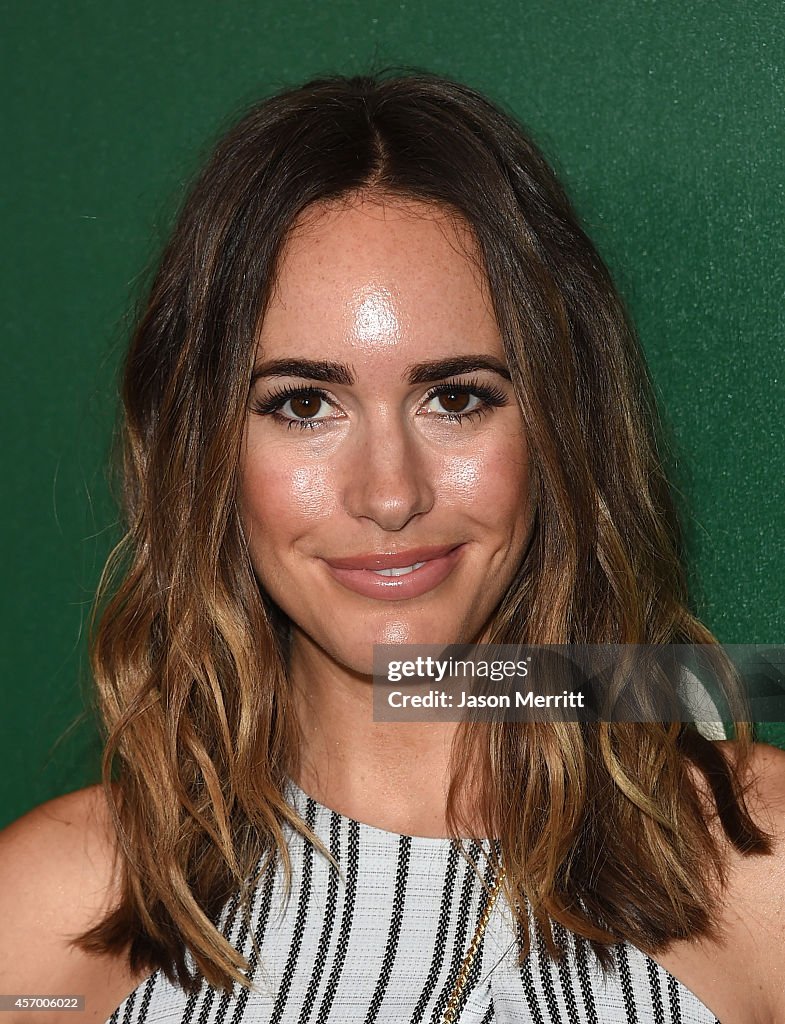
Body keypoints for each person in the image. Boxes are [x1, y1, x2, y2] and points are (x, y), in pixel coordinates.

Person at [1, 70, 783, 1024]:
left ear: (558, 430)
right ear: (201, 451)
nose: (389, 494)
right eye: (302, 404)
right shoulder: (48, 917)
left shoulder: (757, 869)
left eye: (455, 397)